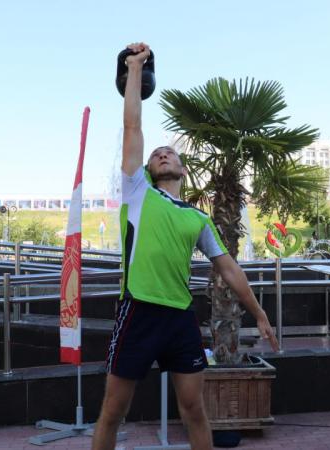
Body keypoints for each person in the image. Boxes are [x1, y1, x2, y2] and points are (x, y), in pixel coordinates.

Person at [91, 42, 279, 450]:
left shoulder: (197, 218)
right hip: (138, 310)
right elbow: (133, 128)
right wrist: (135, 68)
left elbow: (229, 268)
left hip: (180, 318)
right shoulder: (138, 190)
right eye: (156, 153)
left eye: (169, 152)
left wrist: (259, 313)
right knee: (112, 410)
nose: (161, 153)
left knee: (194, 409)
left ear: (182, 169)